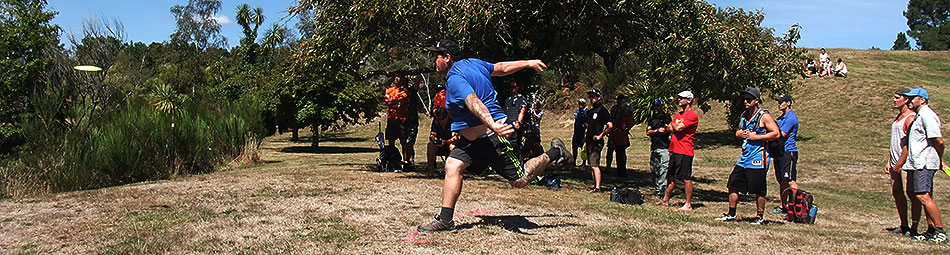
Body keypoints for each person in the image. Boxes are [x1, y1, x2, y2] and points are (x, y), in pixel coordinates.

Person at [417, 39, 573, 232]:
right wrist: (528, 63)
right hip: (472, 140)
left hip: (494, 135)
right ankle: (446, 220)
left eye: (437, 56)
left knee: (520, 180)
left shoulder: (455, 79)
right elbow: (500, 67)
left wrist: (493, 125)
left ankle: (556, 151)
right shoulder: (473, 63)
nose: (435, 61)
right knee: (452, 165)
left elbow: (474, 102)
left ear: (447, 58)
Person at [715, 87, 780, 225]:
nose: (745, 101)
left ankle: (759, 216)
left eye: (749, 99)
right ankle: (731, 214)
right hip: (744, 157)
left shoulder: (764, 116)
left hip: (758, 158)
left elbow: (776, 133)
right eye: (744, 99)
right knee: (733, 183)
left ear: (756, 100)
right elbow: (739, 131)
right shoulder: (744, 115)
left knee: (758, 188)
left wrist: (757, 137)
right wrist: (738, 134)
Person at [901, 88, 947, 242]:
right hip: (918, 162)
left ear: (922, 99)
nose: (909, 101)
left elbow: (938, 141)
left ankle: (940, 231)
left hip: (925, 161)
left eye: (912, 98)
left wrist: (939, 159)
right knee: (924, 195)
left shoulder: (927, 115)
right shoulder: (920, 116)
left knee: (922, 195)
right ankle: (931, 230)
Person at [657, 91, 699, 211]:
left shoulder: (692, 115)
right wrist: (673, 127)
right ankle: (665, 199)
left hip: (685, 150)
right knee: (670, 176)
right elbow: (670, 127)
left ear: (689, 100)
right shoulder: (678, 115)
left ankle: (688, 204)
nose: (679, 100)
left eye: (682, 98)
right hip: (674, 149)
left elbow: (678, 128)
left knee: (686, 177)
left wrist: (673, 127)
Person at [884, 88, 915, 235]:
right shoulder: (898, 117)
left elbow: (909, 144)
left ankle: (915, 227)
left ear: (906, 100)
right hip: (895, 162)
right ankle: (904, 225)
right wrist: (890, 161)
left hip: (906, 164)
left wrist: (899, 164)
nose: (894, 100)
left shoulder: (910, 118)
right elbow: (895, 142)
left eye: (897, 98)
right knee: (897, 193)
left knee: (912, 194)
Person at [768, 94, 800, 214]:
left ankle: (797, 208)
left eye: (781, 102)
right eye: (778, 102)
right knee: (782, 181)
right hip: (779, 152)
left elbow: (781, 134)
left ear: (788, 103)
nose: (779, 104)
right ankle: (783, 206)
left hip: (788, 152)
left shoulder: (791, 118)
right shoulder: (781, 118)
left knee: (790, 180)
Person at [584, 89, 612, 192]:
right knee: (591, 165)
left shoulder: (602, 111)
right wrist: (585, 141)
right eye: (590, 97)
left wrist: (601, 135)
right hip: (590, 141)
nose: (592, 99)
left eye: (594, 97)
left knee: (595, 165)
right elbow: (588, 127)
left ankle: (598, 187)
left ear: (599, 98)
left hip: (597, 142)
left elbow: (610, 125)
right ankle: (595, 184)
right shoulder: (590, 112)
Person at [384, 76, 411, 171]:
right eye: (395, 76)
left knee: (403, 141)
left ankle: (406, 161)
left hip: (401, 118)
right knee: (391, 140)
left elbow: (400, 104)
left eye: (399, 77)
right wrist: (393, 102)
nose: (397, 78)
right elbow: (386, 102)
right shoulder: (390, 90)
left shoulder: (403, 91)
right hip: (391, 118)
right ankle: (391, 160)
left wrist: (392, 102)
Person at [646, 98, 672, 196]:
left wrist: (656, 131)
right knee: (654, 169)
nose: (655, 108)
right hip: (654, 147)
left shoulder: (666, 118)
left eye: (657, 106)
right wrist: (656, 131)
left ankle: (662, 191)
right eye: (654, 106)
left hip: (665, 147)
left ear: (661, 107)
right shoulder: (651, 119)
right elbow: (648, 132)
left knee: (664, 169)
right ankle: (658, 188)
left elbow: (666, 129)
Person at [606, 94, 633, 177]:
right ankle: (608, 168)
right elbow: (611, 119)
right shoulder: (614, 108)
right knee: (610, 150)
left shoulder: (628, 108)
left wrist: (627, 127)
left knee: (621, 152)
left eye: (621, 99)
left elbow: (632, 119)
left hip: (621, 132)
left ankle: (622, 170)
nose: (619, 101)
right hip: (613, 131)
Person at [426, 108, 457, 177]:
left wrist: (447, 141)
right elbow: (432, 134)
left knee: (452, 147)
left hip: (450, 144)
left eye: (443, 119)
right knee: (430, 146)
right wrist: (434, 139)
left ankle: (450, 172)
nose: (442, 121)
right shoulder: (436, 121)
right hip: (439, 145)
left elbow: (455, 138)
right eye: (440, 120)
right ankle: (430, 171)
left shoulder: (453, 121)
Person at [503, 81, 528, 154]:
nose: (511, 89)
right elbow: (505, 111)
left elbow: (522, 110)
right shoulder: (508, 99)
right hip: (508, 123)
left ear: (518, 88)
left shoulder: (521, 98)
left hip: (516, 124)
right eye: (510, 87)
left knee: (516, 144)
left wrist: (519, 122)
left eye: (513, 87)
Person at [572, 98, 589, 166]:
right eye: (579, 103)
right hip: (576, 132)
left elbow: (587, 122)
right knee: (574, 147)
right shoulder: (577, 111)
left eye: (581, 103)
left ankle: (584, 162)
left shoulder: (587, 112)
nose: (580, 105)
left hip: (583, 133)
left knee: (583, 148)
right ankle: (574, 162)